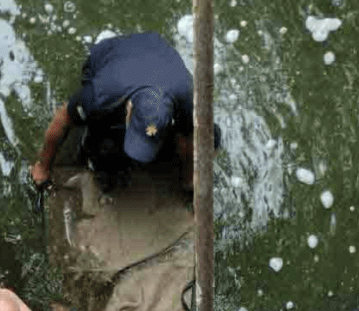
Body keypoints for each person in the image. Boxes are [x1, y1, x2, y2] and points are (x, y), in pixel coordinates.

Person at [30, 31, 220, 193]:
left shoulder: (187, 97)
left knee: (211, 138)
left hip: (157, 52)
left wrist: (188, 179)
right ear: (128, 110)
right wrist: (42, 168)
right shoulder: (102, 94)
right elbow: (63, 118)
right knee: (104, 150)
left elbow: (188, 135)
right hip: (108, 57)